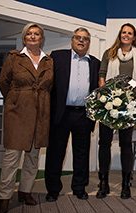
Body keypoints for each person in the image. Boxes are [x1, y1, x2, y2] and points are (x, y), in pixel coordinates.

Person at [0, 23, 53, 213]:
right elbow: (4, 83)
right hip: (18, 112)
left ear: (41, 38)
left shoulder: (48, 60)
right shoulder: (14, 57)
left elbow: (49, 87)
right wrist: (17, 100)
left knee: (33, 156)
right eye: (29, 34)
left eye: (36, 34)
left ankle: (25, 191)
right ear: (24, 37)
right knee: (12, 157)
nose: (33, 36)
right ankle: (4, 195)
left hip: (40, 114)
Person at [45, 27, 100, 202]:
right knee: (55, 153)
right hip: (61, 113)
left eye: (85, 38)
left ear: (89, 43)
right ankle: (53, 189)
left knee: (82, 153)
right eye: (78, 37)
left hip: (83, 115)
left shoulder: (95, 63)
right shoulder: (57, 57)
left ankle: (79, 187)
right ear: (72, 40)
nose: (81, 41)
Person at [96, 23, 136, 199]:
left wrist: (125, 96)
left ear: (134, 37)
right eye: (124, 32)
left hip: (128, 107)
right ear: (120, 34)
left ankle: (126, 184)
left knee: (126, 144)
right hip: (108, 106)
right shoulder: (108, 54)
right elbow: (102, 75)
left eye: (130, 33)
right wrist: (108, 96)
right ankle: (103, 183)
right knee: (104, 143)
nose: (126, 35)